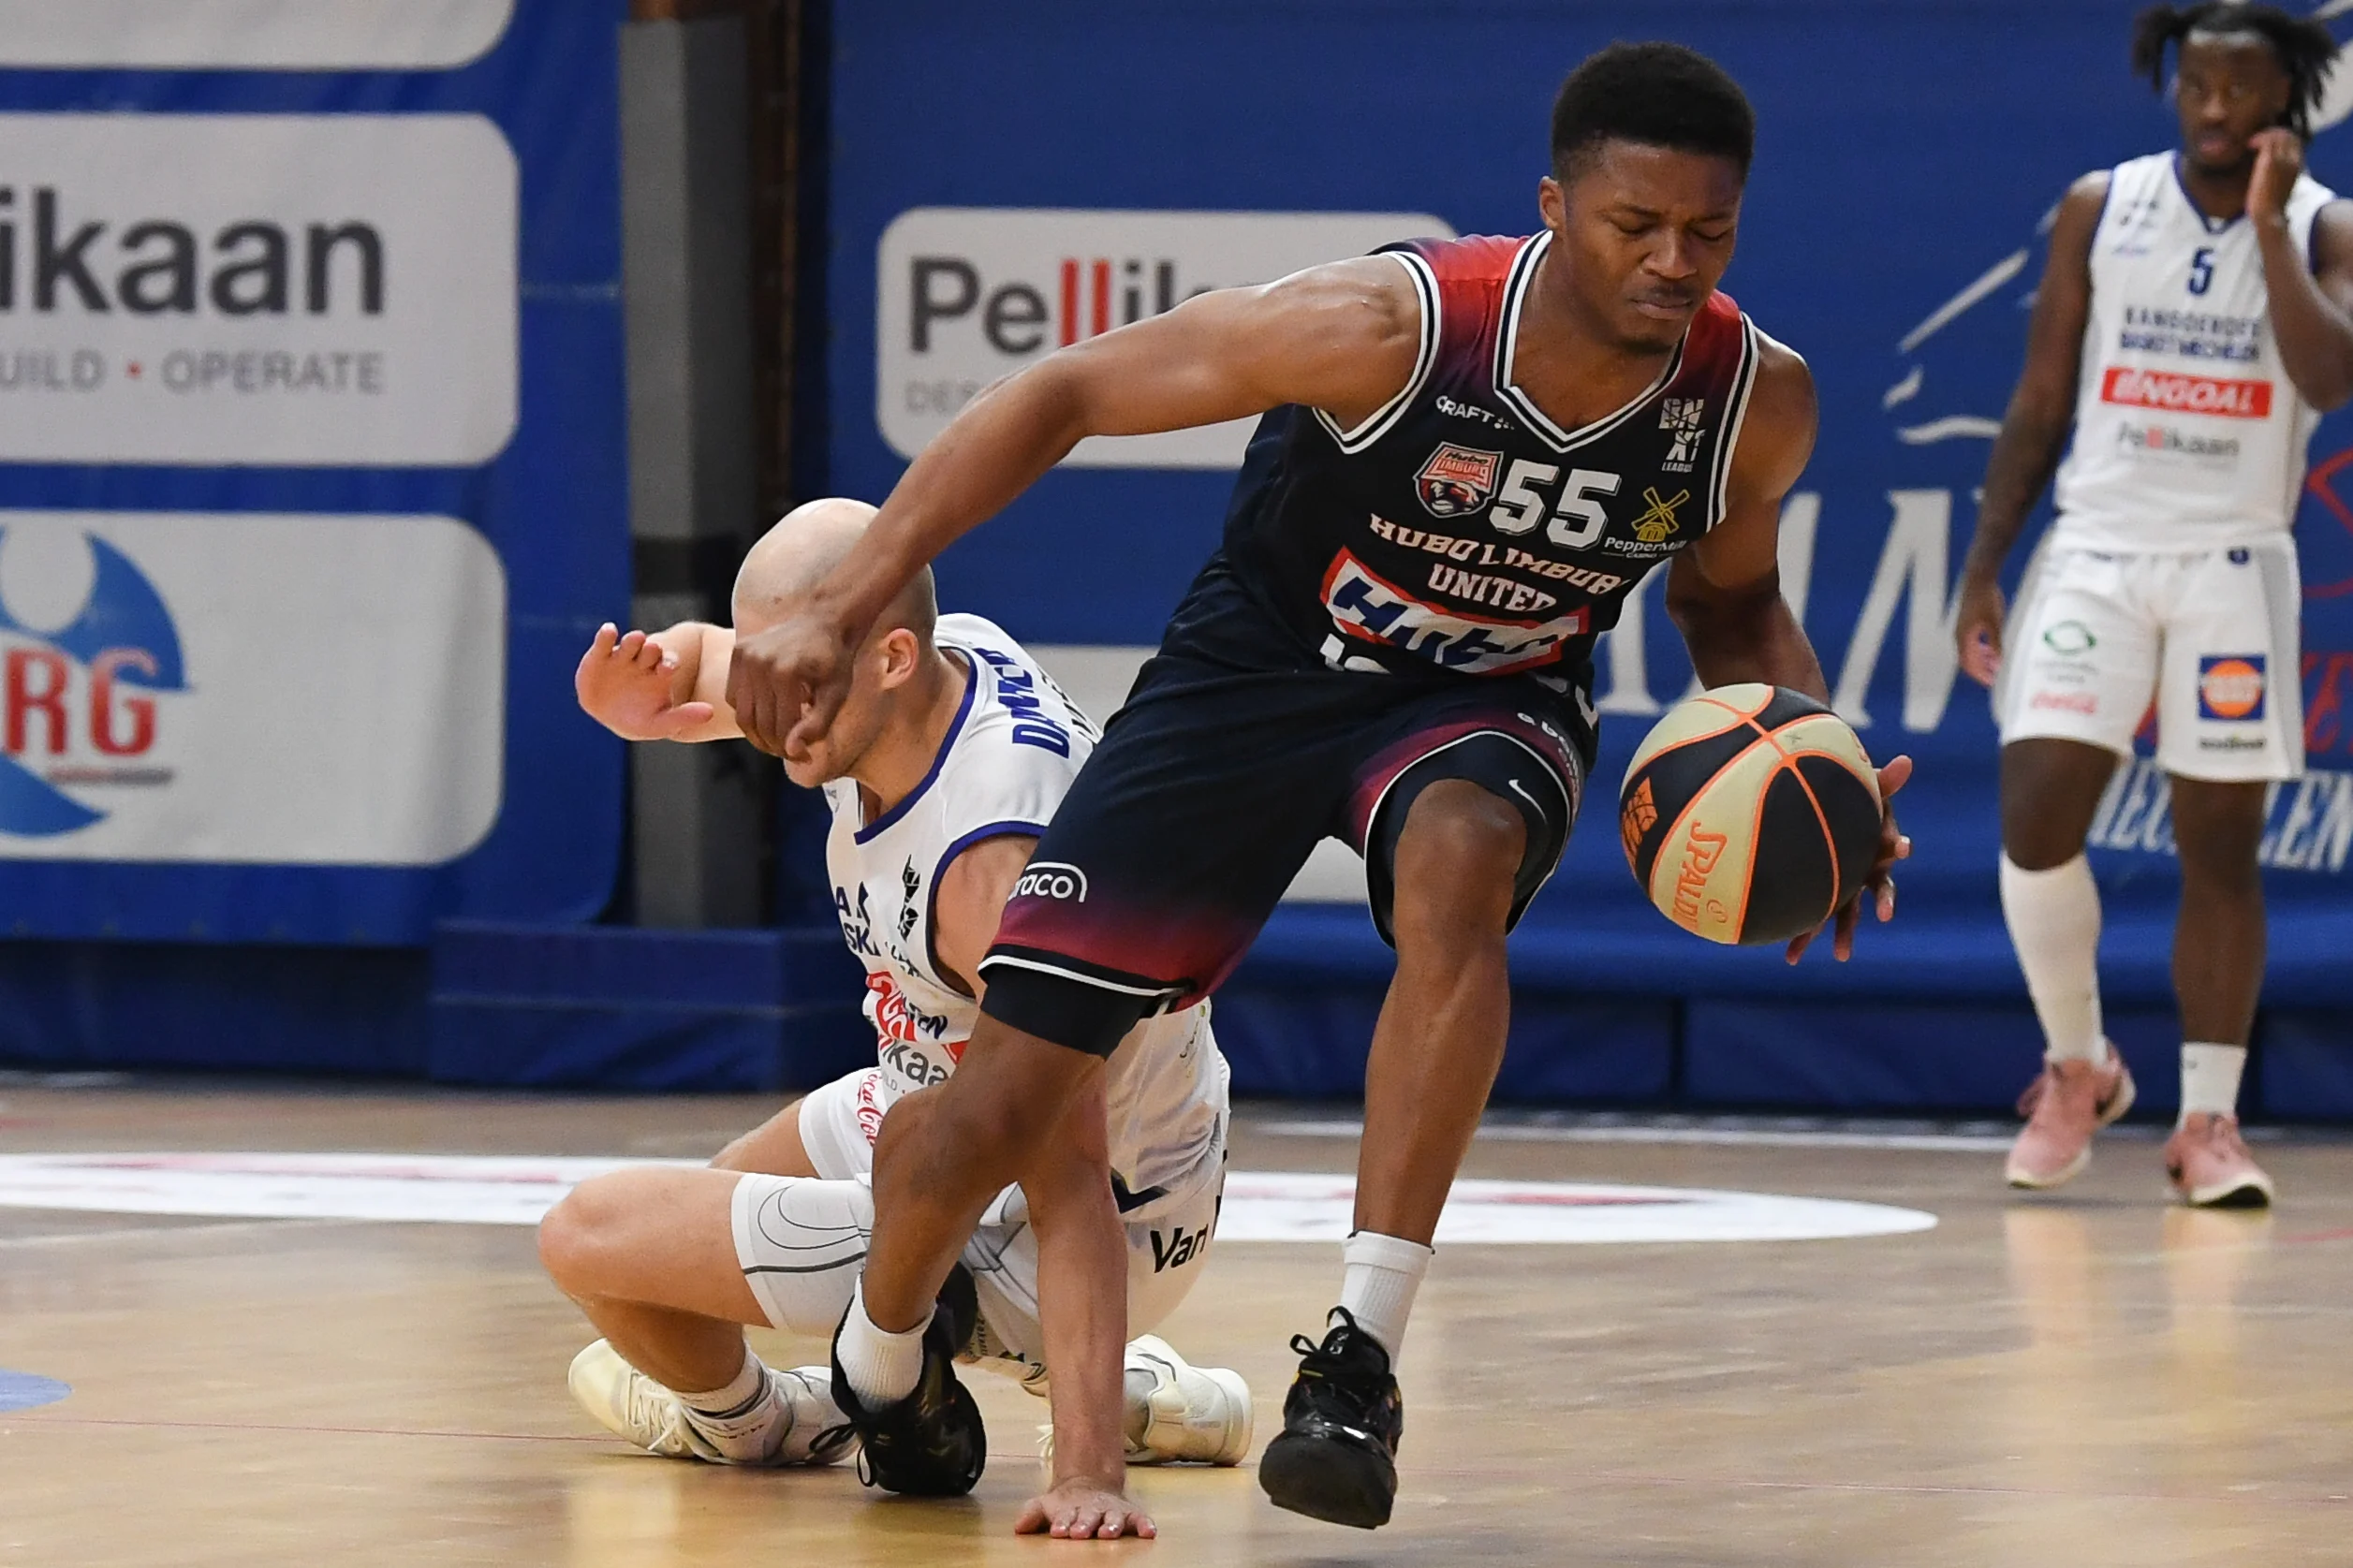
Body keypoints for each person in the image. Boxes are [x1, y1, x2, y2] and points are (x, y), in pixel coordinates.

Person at [725, 43, 1908, 1536]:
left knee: (1460, 868)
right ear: (1554, 207)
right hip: (1260, 673)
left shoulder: (1751, 401)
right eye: (1635, 227)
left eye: (1709, 232)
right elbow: (1067, 389)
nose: (1674, 262)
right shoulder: (1393, 327)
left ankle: (1356, 1355)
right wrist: (845, 596)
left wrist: (1817, 761)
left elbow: (1730, 612)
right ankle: (886, 1360)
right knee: (991, 1111)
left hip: (1487, 699)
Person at [537, 499, 1250, 1509]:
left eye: (791, 683)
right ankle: (1116, 1383)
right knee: (677, 1256)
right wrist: (650, 690)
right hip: (959, 1099)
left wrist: (1086, 1474)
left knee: (592, 1237)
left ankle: (776, 1421)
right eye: (761, 675)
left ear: (887, 659)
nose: (766, 711)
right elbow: (721, 661)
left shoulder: (989, 876)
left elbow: (1071, 1177)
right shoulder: (920, 658)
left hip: (1094, 1207)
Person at [1955, 3, 2351, 1208]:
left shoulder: (2325, 224)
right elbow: (2037, 396)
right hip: (2097, 549)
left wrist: (2276, 232)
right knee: (2034, 814)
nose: (2216, 111)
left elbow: (2327, 376)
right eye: (2196, 88)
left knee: (2216, 844)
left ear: (2286, 102)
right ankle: (2076, 1068)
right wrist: (1985, 562)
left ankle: (2208, 1122)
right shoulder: (2101, 203)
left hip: (2231, 560)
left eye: (2241, 91)